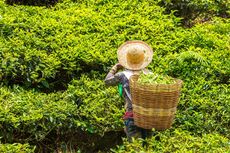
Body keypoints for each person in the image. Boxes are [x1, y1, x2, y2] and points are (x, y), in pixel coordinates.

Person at [104, 40, 153, 142]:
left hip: (132, 116)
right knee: (149, 146)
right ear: (143, 59)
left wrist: (115, 67)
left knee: (135, 147)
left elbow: (107, 81)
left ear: (127, 59)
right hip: (149, 116)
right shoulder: (150, 75)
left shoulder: (122, 75)